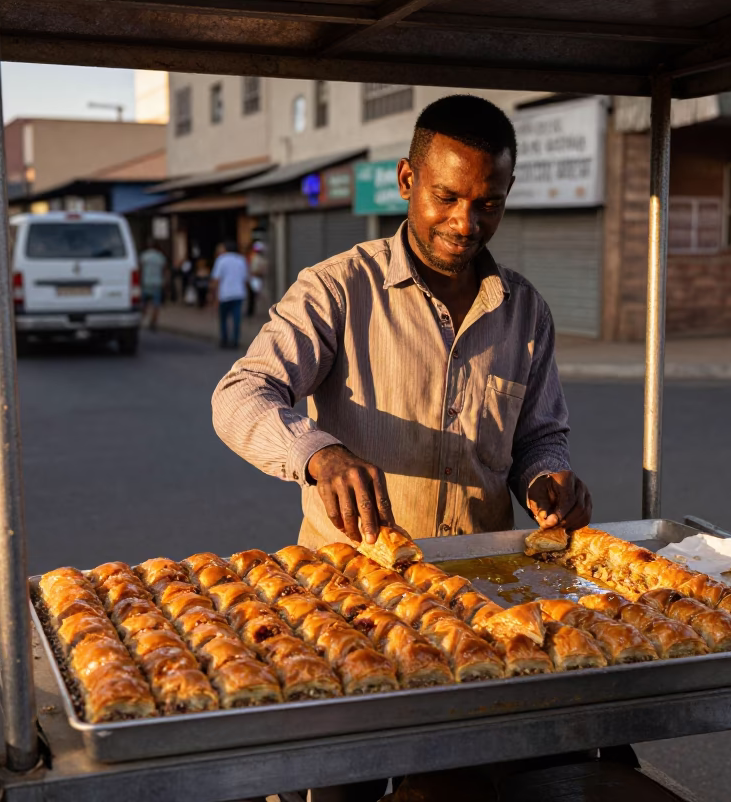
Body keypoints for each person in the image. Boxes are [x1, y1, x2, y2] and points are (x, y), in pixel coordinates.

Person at [212, 94, 592, 550]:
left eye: (488, 204)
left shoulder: (527, 312)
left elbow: (539, 438)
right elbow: (241, 394)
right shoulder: (336, 289)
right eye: (446, 197)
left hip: (481, 580)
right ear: (407, 179)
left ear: (507, 192)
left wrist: (544, 480)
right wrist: (318, 454)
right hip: (351, 588)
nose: (465, 223)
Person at [210, 241, 248, 348]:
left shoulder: (221, 260)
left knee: (223, 319)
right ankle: (235, 340)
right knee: (236, 318)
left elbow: (216, 279)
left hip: (224, 294)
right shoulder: (241, 260)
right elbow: (245, 278)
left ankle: (224, 340)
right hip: (238, 293)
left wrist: (213, 294)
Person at [138, 241, 168, 331]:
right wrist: (165, 282)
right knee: (156, 304)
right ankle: (153, 322)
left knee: (144, 303)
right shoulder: (160, 257)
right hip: (157, 283)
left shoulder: (144, 256)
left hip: (146, 282)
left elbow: (140, 269)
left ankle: (141, 319)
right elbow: (164, 270)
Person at [246, 239, 268, 317]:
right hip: (255, 278)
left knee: (255, 295)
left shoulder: (257, 258)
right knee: (253, 296)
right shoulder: (257, 258)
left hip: (256, 278)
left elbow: (257, 270)